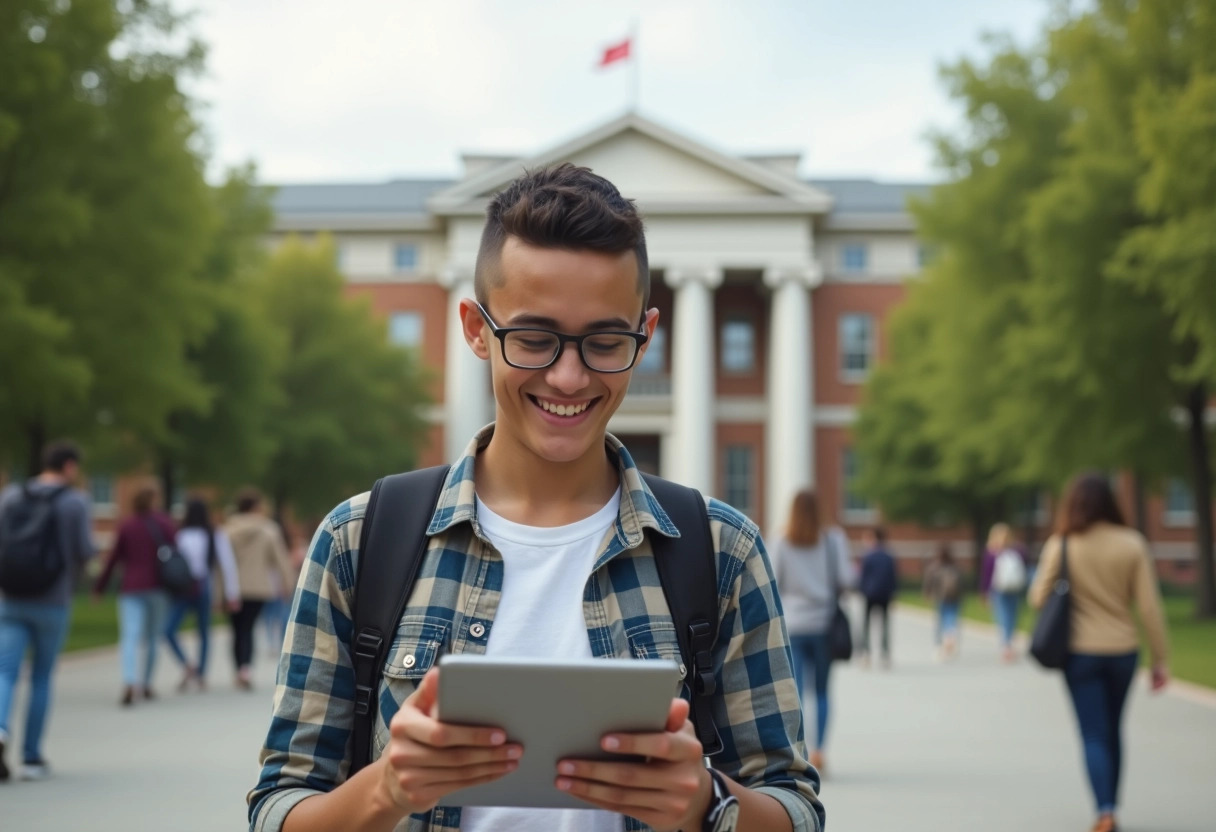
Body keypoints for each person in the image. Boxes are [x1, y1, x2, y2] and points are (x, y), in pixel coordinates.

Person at [248, 164, 824, 832]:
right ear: (473, 328)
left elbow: (795, 810)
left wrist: (706, 802)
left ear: (646, 335)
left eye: (606, 341)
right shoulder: (359, 541)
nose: (570, 376)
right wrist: (388, 789)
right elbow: (279, 810)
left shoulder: (723, 551)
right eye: (533, 338)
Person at [1028, 473, 1169, 832]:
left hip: (1080, 652)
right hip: (1123, 650)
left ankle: (1105, 810)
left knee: (1093, 732)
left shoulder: (1063, 543)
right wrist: (1160, 659)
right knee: (1113, 729)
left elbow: (1036, 598)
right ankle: (1111, 805)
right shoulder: (1132, 543)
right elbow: (1150, 608)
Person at [0, 441, 95, 782]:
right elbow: (85, 549)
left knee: (5, 671)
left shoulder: (11, 495)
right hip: (52, 599)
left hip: (10, 596)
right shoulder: (74, 502)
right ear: (69, 466)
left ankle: (0, 727)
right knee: (40, 676)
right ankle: (30, 758)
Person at [772, 488, 853, 775]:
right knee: (821, 690)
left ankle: (798, 750)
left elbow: (773, 581)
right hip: (824, 624)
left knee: (794, 692)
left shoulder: (782, 540)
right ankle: (819, 751)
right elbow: (845, 579)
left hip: (793, 624)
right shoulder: (834, 540)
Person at [93, 481, 175, 706]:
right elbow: (176, 554)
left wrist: (100, 587)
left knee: (130, 636)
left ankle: (130, 681)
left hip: (131, 587)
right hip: (158, 588)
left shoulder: (127, 525)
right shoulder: (164, 524)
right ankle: (146, 683)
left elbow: (113, 559)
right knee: (152, 638)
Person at [164, 497, 241, 691]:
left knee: (169, 630)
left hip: (185, 586)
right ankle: (199, 673)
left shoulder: (181, 534)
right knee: (203, 632)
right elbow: (228, 565)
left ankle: (189, 666)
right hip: (203, 585)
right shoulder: (214, 533)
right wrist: (232, 593)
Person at [223, 488, 295, 691]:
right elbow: (280, 559)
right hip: (258, 587)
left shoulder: (228, 530)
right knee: (248, 628)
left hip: (233, 588)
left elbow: (221, 563)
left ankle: (239, 668)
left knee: (236, 629)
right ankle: (246, 668)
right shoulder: (268, 530)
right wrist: (288, 584)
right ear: (255, 507)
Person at [980, 522, 1028, 663]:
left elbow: (987, 575)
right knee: (1011, 616)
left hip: (998, 589)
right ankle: (1008, 643)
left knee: (1002, 616)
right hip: (1014, 588)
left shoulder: (992, 552)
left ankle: (1005, 645)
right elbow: (1025, 565)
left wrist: (984, 592)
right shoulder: (1018, 550)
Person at [857, 525, 898, 669]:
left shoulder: (869, 556)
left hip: (870, 593)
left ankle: (866, 653)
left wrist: (861, 590)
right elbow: (893, 577)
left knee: (867, 625)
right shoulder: (888, 556)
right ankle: (885, 655)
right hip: (885, 594)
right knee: (885, 625)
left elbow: (863, 577)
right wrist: (893, 594)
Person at [922, 543, 963, 660]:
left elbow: (928, 582)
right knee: (952, 618)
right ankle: (950, 635)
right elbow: (961, 583)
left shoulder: (934, 567)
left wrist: (927, 593)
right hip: (954, 597)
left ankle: (939, 645)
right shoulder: (955, 566)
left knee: (940, 621)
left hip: (940, 597)